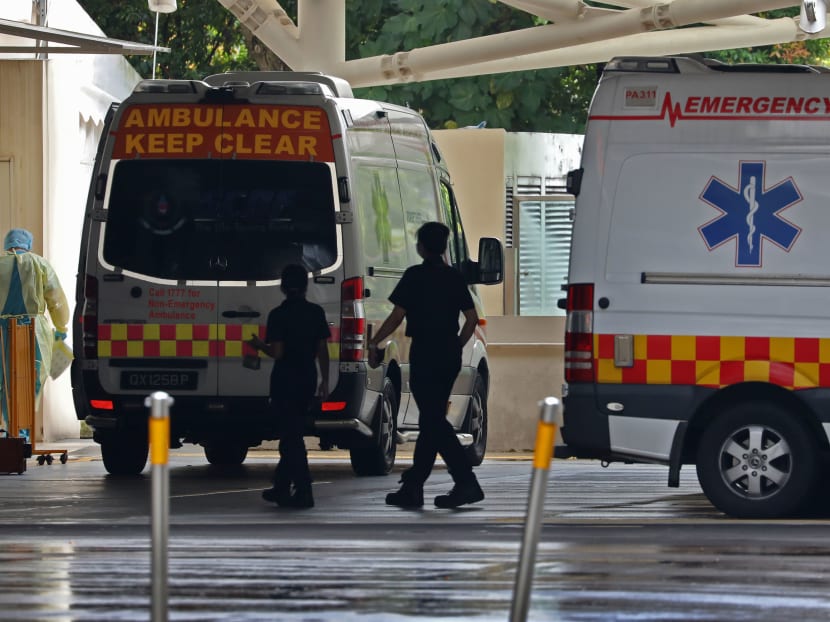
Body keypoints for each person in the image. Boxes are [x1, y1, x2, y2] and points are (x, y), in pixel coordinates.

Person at [368, 221, 484, 509]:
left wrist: (376, 342)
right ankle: (414, 486)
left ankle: (465, 481)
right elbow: (470, 319)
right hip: (448, 354)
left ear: (420, 247)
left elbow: (396, 317)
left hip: (424, 353)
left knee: (432, 420)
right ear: (444, 246)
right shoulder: (454, 278)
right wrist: (457, 345)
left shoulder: (414, 276)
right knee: (431, 420)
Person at [247, 263, 330, 509]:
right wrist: (324, 380)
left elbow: (278, 352)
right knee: (292, 433)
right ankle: (281, 488)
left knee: (291, 438)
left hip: (285, 380)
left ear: (283, 287)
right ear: (306, 286)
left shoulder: (278, 315)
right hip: (307, 377)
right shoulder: (315, 312)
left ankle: (304, 491)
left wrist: (260, 346)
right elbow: (322, 350)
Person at [0, 228, 69, 438]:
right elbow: (55, 299)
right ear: (27, 244)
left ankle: (12, 430)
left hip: (2, 332)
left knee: (5, 380)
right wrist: (61, 327)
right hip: (33, 331)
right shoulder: (40, 264)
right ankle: (23, 431)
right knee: (31, 378)